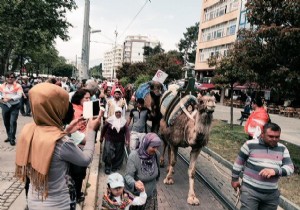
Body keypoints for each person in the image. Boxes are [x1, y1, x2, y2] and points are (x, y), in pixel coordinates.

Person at [15, 83, 102, 210]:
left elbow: (48, 144)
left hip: (33, 200)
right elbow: (85, 159)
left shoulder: (28, 131)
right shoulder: (62, 142)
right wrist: (91, 129)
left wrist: (67, 130)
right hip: (57, 204)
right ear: (54, 108)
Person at [231, 123, 294, 210]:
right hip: (250, 191)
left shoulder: (282, 148)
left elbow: (290, 167)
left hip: (271, 195)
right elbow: (238, 163)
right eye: (271, 136)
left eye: (277, 137)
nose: (274, 139)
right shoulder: (249, 145)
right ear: (262, 135)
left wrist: (275, 171)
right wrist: (234, 179)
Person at [124, 133, 161, 210]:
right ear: (146, 144)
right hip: (138, 197)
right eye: (153, 147)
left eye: (157, 147)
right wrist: (135, 183)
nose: (156, 150)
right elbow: (128, 176)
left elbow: (157, 173)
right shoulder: (134, 156)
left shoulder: (156, 155)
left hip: (151, 196)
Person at [69, 88, 92, 203]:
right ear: (79, 99)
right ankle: (76, 195)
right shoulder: (76, 111)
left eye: (89, 98)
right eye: (86, 98)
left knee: (79, 173)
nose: (89, 100)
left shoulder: (84, 108)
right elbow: (84, 138)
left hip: (79, 143)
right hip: (77, 145)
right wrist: (90, 125)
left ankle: (77, 193)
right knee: (78, 172)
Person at [100, 107, 130, 175]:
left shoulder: (123, 121)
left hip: (120, 140)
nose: (118, 113)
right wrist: (101, 137)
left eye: (119, 112)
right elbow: (104, 128)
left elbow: (127, 131)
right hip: (109, 138)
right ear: (115, 113)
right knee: (108, 152)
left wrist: (127, 140)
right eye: (117, 112)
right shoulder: (109, 120)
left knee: (118, 154)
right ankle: (107, 166)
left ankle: (115, 166)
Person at [0, 71, 23, 146]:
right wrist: (2, 98)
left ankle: (12, 138)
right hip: (5, 105)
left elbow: (19, 95)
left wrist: (10, 98)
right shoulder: (2, 85)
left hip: (14, 106)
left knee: (12, 122)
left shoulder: (18, 86)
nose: (10, 78)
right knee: (6, 122)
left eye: (12, 77)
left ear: (14, 78)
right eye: (8, 77)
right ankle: (9, 136)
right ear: (5, 78)